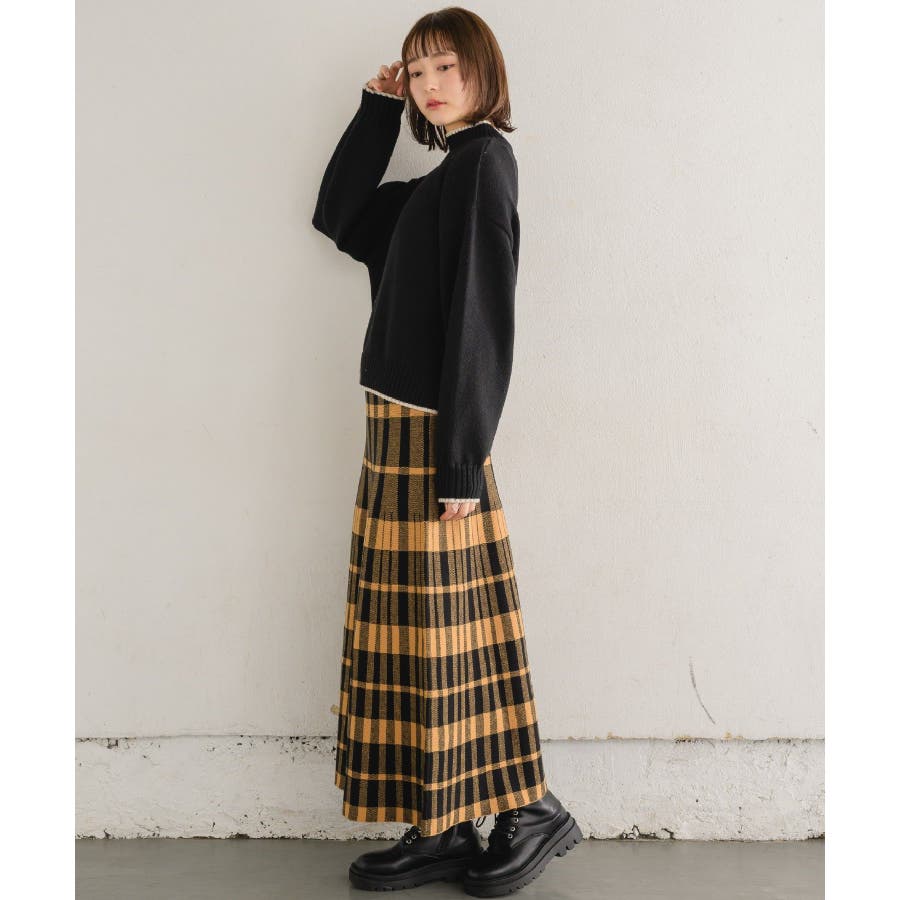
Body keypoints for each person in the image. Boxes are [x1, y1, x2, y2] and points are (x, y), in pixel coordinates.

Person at [311, 7, 582, 895]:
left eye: (446, 67)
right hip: (399, 428)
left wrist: (462, 455)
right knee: (420, 637)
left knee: (456, 630)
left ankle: (530, 809)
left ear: (482, 73)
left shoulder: (483, 165)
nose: (429, 83)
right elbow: (339, 215)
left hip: (435, 436)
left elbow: (482, 313)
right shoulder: (437, 180)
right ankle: (445, 821)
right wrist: (374, 110)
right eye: (416, 69)